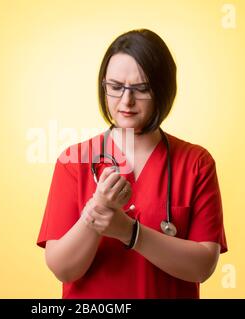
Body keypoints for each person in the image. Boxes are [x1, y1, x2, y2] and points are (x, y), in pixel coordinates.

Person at [36, 28, 227, 298]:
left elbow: (203, 266)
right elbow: (63, 269)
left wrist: (130, 232)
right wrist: (96, 211)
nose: (126, 101)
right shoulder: (74, 160)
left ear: (162, 90)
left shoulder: (196, 163)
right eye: (115, 87)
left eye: (141, 89)